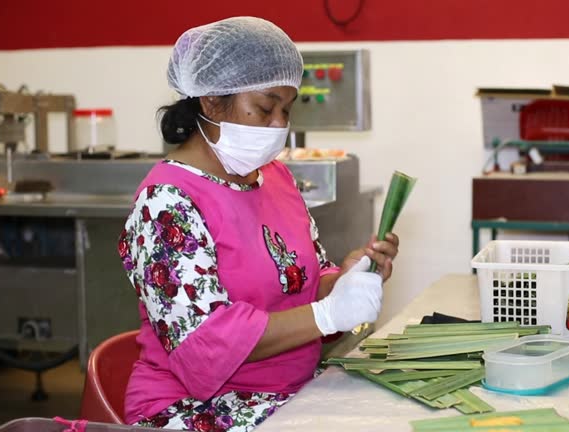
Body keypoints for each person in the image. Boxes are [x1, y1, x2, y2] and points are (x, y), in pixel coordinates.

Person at [117, 17, 399, 431]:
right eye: (265, 108)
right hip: (197, 407)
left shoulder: (276, 179)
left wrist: (347, 279)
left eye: (285, 110)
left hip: (288, 389)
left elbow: (302, 285)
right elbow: (204, 342)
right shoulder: (167, 203)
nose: (278, 126)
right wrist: (326, 315)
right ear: (212, 101)